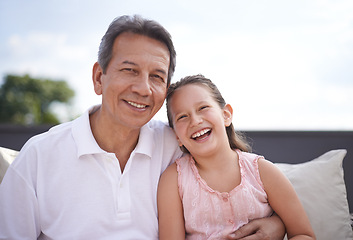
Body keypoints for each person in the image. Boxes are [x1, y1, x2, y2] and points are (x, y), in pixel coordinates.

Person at [0, 15, 285, 239]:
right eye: (129, 70)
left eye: (157, 77)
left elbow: (242, 181)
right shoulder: (39, 156)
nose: (143, 89)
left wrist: (277, 224)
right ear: (99, 77)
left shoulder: (178, 142)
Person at [158, 74, 316, 240]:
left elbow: (303, 234)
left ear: (226, 115)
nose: (195, 121)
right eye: (182, 116)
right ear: (176, 135)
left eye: (203, 108)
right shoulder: (173, 180)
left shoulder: (262, 171)